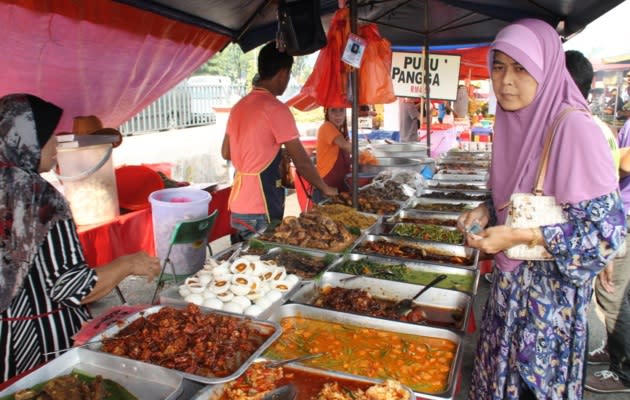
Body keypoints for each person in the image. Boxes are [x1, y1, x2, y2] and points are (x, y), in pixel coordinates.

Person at [458, 19, 625, 399]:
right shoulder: (514, 122)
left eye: (521, 68)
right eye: (498, 66)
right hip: (507, 300)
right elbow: (521, 195)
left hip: (547, 312)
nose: (506, 81)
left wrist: (521, 235)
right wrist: (485, 211)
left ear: (547, 68)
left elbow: (606, 232)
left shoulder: (574, 129)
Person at [0, 93, 161, 381]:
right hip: (41, 347)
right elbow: (73, 287)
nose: (57, 145)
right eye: (50, 135)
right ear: (30, 140)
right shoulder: (38, 197)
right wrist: (129, 263)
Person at [221, 41, 337, 241]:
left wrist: (264, 151)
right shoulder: (276, 109)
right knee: (263, 264)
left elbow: (226, 152)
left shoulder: (239, 107)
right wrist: (324, 187)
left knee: (244, 263)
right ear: (283, 72)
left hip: (238, 205)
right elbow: (301, 160)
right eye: (289, 74)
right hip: (260, 207)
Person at [585, 116, 630, 394]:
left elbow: (626, 163)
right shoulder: (602, 124)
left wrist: (605, 164)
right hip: (619, 213)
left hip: (622, 216)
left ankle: (623, 371)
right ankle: (616, 350)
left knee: (613, 296)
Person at [314, 107, 351, 199]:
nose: (338, 114)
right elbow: (345, 146)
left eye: (341, 110)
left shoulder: (341, 132)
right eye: (333, 110)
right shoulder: (327, 127)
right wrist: (365, 153)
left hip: (339, 183)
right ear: (327, 113)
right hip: (327, 184)